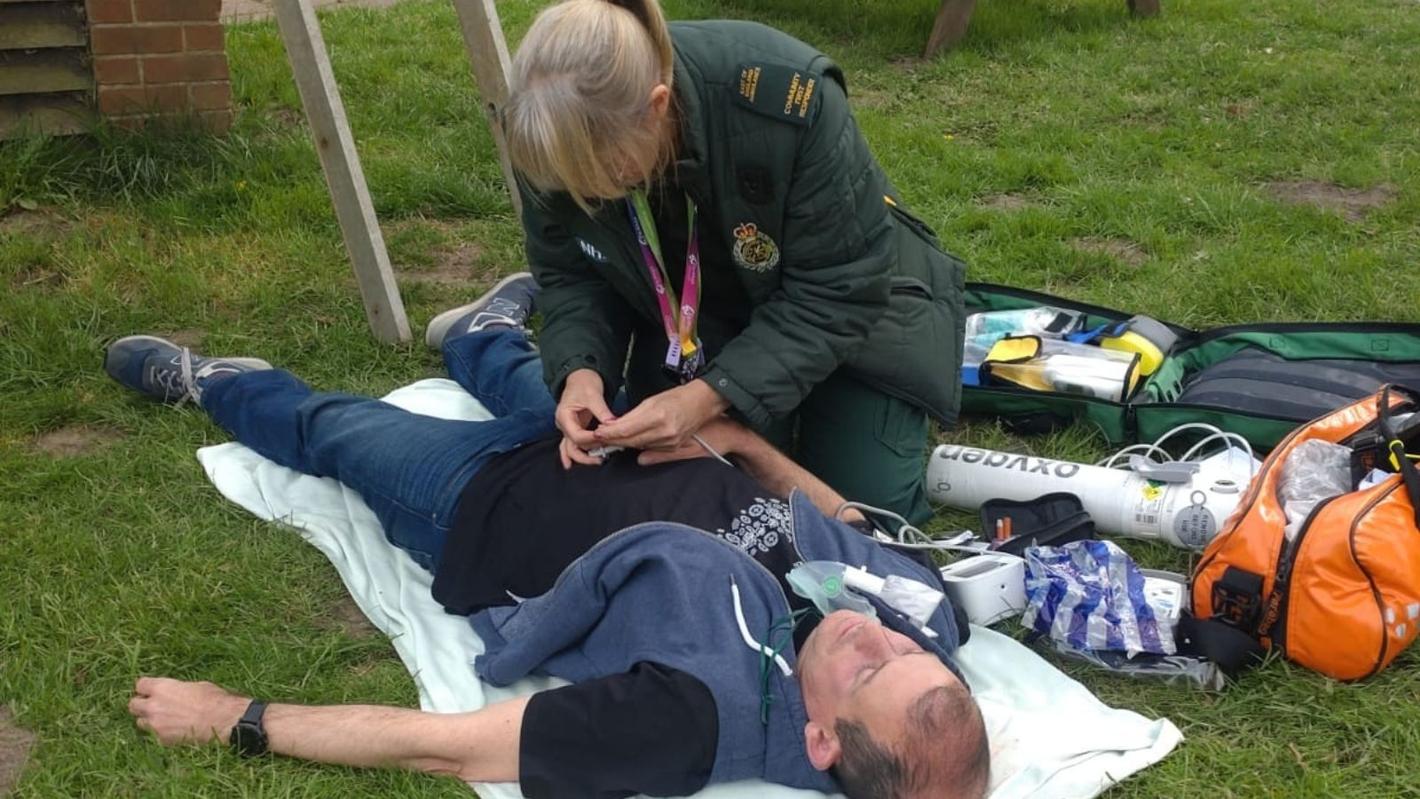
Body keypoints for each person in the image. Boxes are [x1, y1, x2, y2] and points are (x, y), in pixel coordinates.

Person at [112, 279, 990, 799]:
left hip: (489, 500)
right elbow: (850, 525)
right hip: (630, 444)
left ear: (822, 744)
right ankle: (479, 335)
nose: (879, 632)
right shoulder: (920, 624)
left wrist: (234, 718)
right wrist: (745, 448)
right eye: (912, 651)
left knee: (334, 430)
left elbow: (448, 744)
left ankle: (221, 383)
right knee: (552, 385)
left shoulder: (691, 718)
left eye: (870, 668)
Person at [495, 0, 967, 525]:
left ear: (657, 106)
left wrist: (710, 397)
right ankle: (486, 338)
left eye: (603, 175)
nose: (585, 193)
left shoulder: (786, 95)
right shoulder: (550, 138)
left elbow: (840, 287)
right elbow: (572, 272)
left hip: (856, 316)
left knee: (864, 516)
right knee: (695, 495)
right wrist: (580, 372)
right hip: (693, 315)